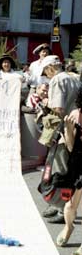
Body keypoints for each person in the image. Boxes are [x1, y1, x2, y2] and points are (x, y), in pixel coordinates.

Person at [40, 54, 80, 223]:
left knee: (60, 169)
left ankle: (61, 208)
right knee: (65, 168)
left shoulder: (57, 80)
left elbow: (58, 107)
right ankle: (58, 205)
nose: (46, 75)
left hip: (63, 130)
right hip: (75, 127)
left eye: (45, 71)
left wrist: (45, 100)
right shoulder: (74, 78)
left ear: (51, 68)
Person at [55, 85, 82, 255]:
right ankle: (68, 227)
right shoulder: (76, 114)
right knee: (70, 206)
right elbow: (71, 147)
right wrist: (67, 130)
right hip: (78, 164)